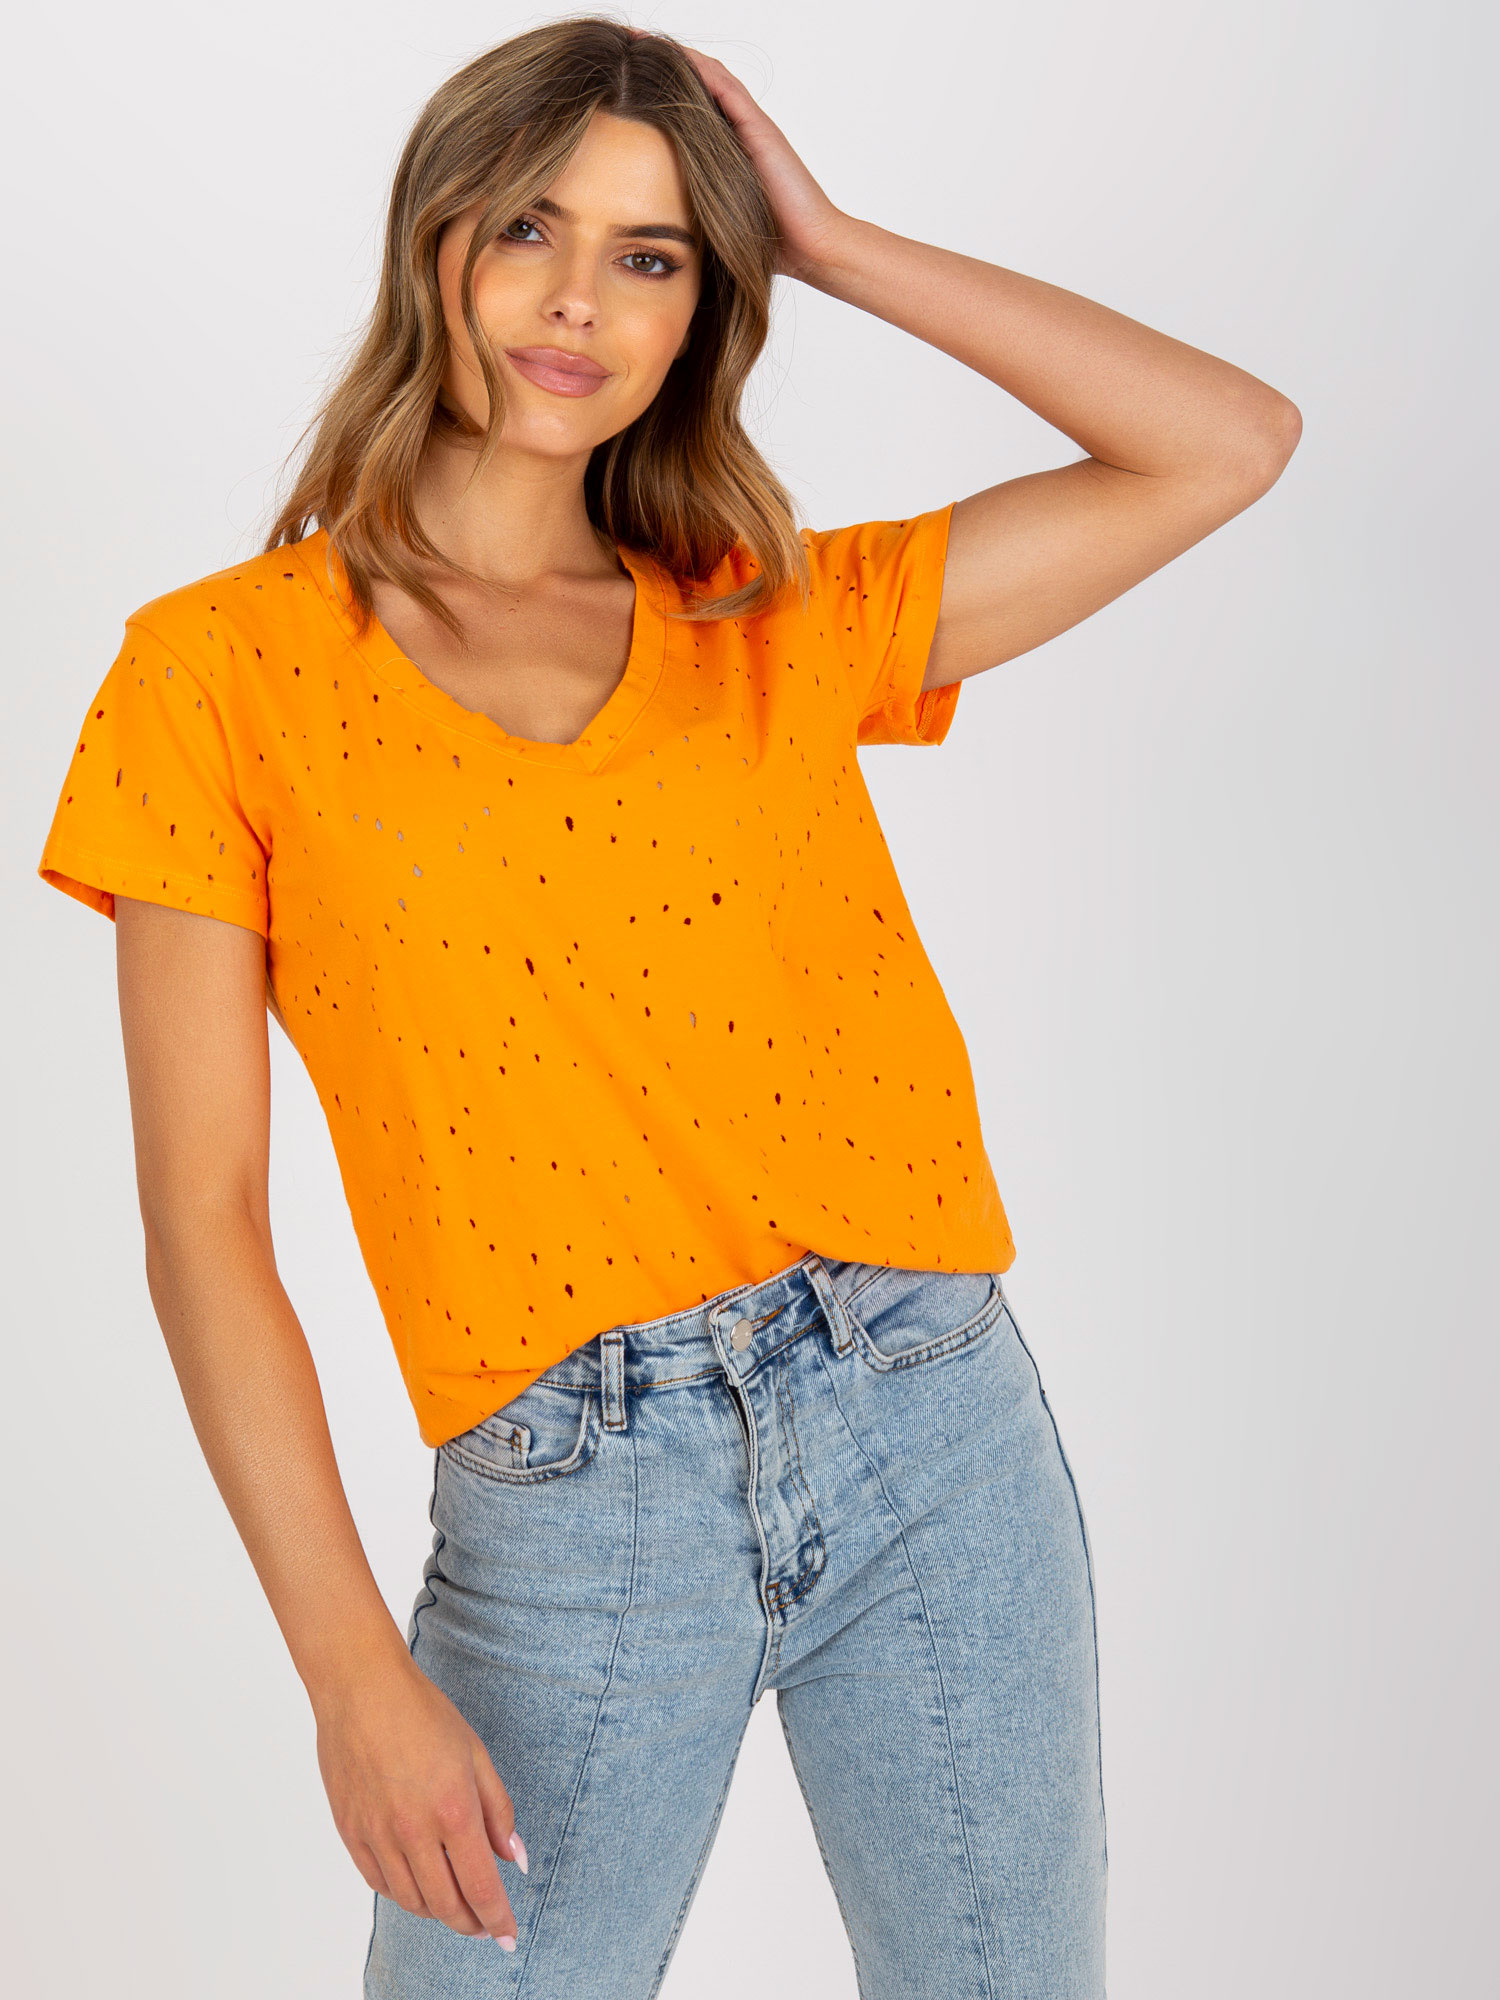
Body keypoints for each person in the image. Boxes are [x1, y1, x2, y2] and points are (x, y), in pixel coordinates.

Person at [36, 17, 1299, 1998]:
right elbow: (202, 1221)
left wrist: (834, 239)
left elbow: (1224, 442)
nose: (580, 300)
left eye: (653, 256)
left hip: (923, 1407)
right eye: (532, 228)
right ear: (435, 241)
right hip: (572, 1494)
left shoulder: (762, 608)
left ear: (708, 305)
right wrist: (351, 1675)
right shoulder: (214, 680)